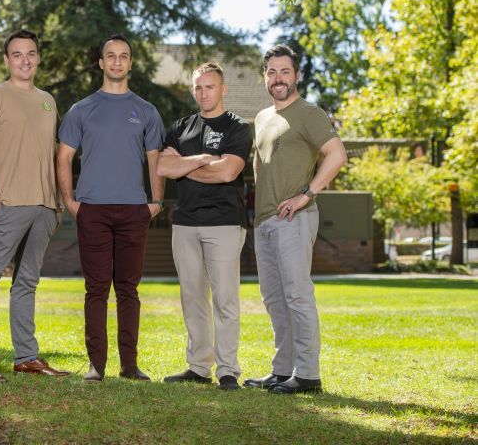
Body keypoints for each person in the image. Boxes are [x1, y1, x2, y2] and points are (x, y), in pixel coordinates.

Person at [57, 34, 165, 382]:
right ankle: (96, 365)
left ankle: (129, 366)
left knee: (128, 290)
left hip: (134, 211)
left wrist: (156, 202)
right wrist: (71, 202)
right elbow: (63, 158)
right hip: (93, 210)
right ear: (101, 63)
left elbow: (155, 160)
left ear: (130, 63)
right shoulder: (81, 110)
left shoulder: (146, 111)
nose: (117, 62)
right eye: (110, 56)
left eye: (123, 56)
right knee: (96, 289)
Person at [0, 30, 68, 382]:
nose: (25, 60)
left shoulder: (48, 100)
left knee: (27, 283)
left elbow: (51, 154)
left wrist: (56, 202)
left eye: (31, 53)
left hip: (44, 207)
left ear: (38, 58)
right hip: (8, 204)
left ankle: (26, 356)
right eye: (17, 54)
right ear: (7, 60)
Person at [244, 45, 347, 394]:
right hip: (264, 221)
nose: (278, 78)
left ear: (296, 76)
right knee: (273, 298)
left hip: (294, 218)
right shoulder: (261, 117)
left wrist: (308, 193)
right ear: (265, 76)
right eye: (271, 72)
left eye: (284, 72)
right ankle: (282, 369)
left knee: (297, 295)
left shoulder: (309, 113)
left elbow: (337, 154)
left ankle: (308, 374)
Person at [157, 62, 252, 390]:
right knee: (193, 297)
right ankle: (198, 367)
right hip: (185, 223)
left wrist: (184, 165)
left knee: (225, 299)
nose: (203, 93)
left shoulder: (237, 128)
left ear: (223, 89)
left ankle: (228, 370)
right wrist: (202, 161)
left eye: (209, 87)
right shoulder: (181, 127)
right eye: (198, 87)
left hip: (225, 222)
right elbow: (162, 166)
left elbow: (228, 172)